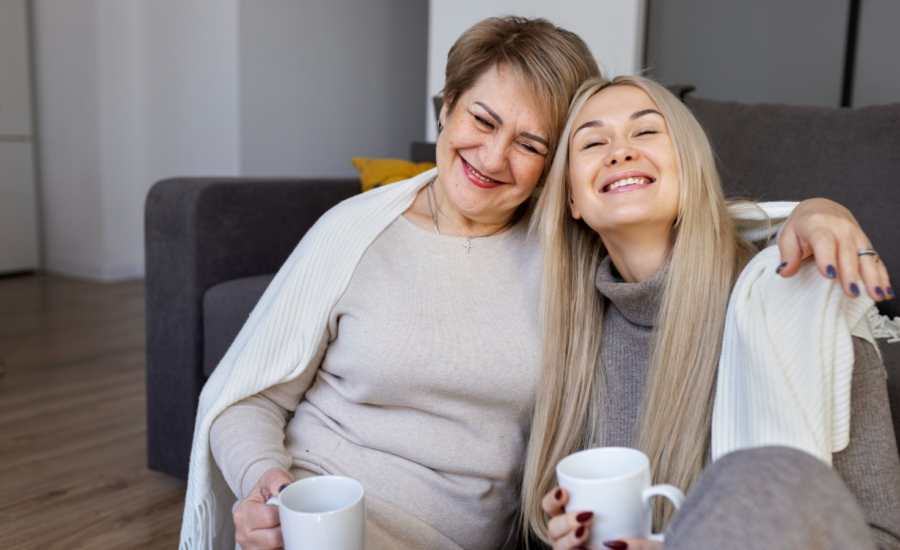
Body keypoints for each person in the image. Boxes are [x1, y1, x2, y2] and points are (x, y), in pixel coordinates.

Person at [178, 18, 890, 550]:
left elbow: (704, 231)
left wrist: (816, 210)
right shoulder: (354, 231)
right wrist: (264, 483)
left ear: (555, 179)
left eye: (531, 144)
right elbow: (252, 395)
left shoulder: (568, 259)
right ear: (446, 109)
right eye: (481, 120)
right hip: (311, 513)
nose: (493, 156)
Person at [524, 75, 899, 550]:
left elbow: (881, 537)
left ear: (690, 163)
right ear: (572, 200)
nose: (620, 152)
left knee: (769, 473)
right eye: (594, 142)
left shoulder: (803, 305)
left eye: (645, 132)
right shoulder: (568, 340)